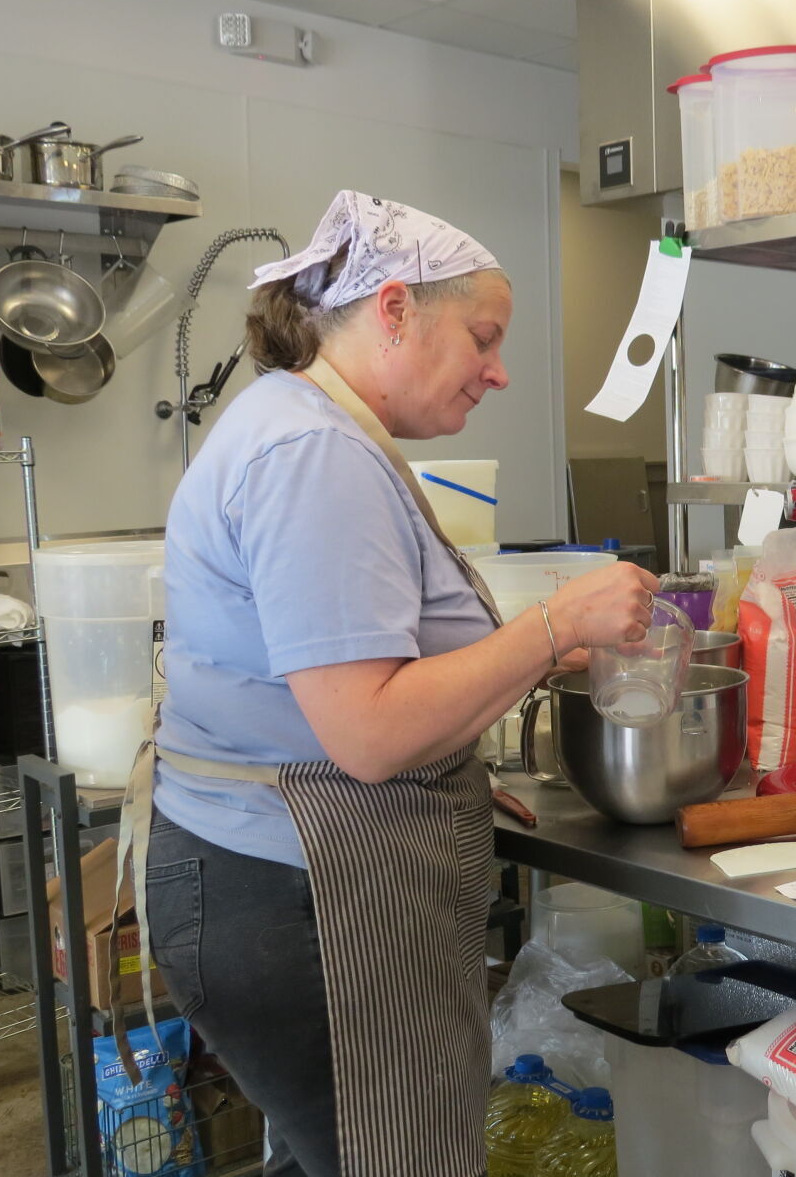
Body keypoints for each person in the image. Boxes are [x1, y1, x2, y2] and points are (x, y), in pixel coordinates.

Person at [137, 190, 657, 1176]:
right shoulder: (312, 452)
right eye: (485, 337)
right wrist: (554, 625)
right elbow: (368, 732)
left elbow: (363, 688)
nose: (499, 372)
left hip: (274, 871)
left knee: (335, 1153)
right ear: (392, 308)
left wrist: (449, 754)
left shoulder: (314, 426)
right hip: (295, 895)